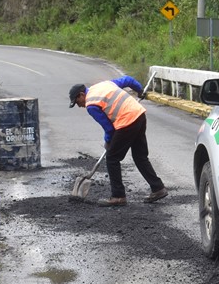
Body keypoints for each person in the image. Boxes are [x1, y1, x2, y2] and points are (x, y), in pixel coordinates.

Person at [68, 75, 168, 207]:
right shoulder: (104, 85)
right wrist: (139, 90)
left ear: (81, 95)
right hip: (139, 116)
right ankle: (158, 188)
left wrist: (108, 142)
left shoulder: (91, 105)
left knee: (112, 158)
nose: (79, 106)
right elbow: (128, 80)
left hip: (126, 123)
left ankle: (118, 196)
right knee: (140, 156)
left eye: (77, 102)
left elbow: (109, 128)